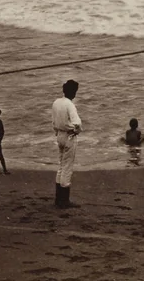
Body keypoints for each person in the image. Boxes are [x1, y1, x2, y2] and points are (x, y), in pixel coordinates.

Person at [51, 80, 83, 208]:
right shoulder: (70, 104)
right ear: (73, 92)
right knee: (67, 167)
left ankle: (58, 199)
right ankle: (64, 200)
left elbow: (53, 122)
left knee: (61, 165)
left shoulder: (56, 102)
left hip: (59, 135)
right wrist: (77, 131)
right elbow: (77, 123)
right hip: (69, 136)